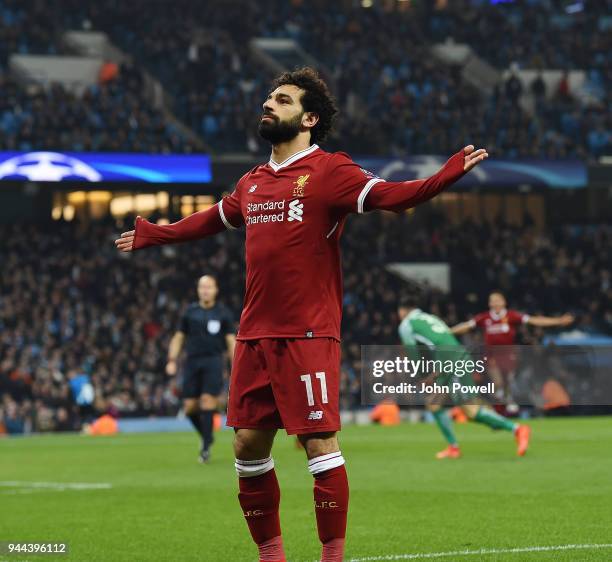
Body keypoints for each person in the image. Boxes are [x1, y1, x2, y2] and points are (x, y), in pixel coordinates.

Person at [115, 66, 488, 562]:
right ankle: (272, 554)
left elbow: (391, 198)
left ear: (309, 117)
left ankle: (330, 556)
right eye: (269, 98)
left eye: (283, 100)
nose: (269, 105)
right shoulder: (252, 183)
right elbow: (211, 219)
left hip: (308, 333)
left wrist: (443, 177)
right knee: (247, 444)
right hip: (252, 335)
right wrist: (154, 233)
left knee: (318, 442)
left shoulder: (330, 171)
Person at [397, 294, 531, 459]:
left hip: (451, 360)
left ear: (402, 311)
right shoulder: (429, 318)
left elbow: (413, 353)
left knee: (470, 410)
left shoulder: (406, 325)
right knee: (435, 403)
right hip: (454, 356)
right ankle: (454, 447)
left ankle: (516, 429)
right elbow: (445, 338)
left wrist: (420, 376)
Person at [451, 291, 574, 412]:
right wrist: (448, 331)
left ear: (504, 302)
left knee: (507, 382)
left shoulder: (511, 316)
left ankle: (505, 400)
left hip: (509, 355)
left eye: (497, 300)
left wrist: (557, 321)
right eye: (492, 301)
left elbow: (534, 320)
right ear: (489, 304)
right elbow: (466, 326)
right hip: (491, 355)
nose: (495, 303)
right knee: (497, 382)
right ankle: (505, 399)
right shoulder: (485, 318)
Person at [166, 274, 236, 463]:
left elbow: (231, 341)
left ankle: (205, 447)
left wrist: (236, 364)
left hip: (213, 361)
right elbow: (179, 337)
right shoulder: (190, 312)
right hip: (192, 361)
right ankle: (208, 436)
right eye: (202, 287)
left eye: (209, 287)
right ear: (198, 290)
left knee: (207, 401)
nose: (205, 290)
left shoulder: (223, 313)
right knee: (189, 407)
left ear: (215, 290)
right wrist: (172, 359)